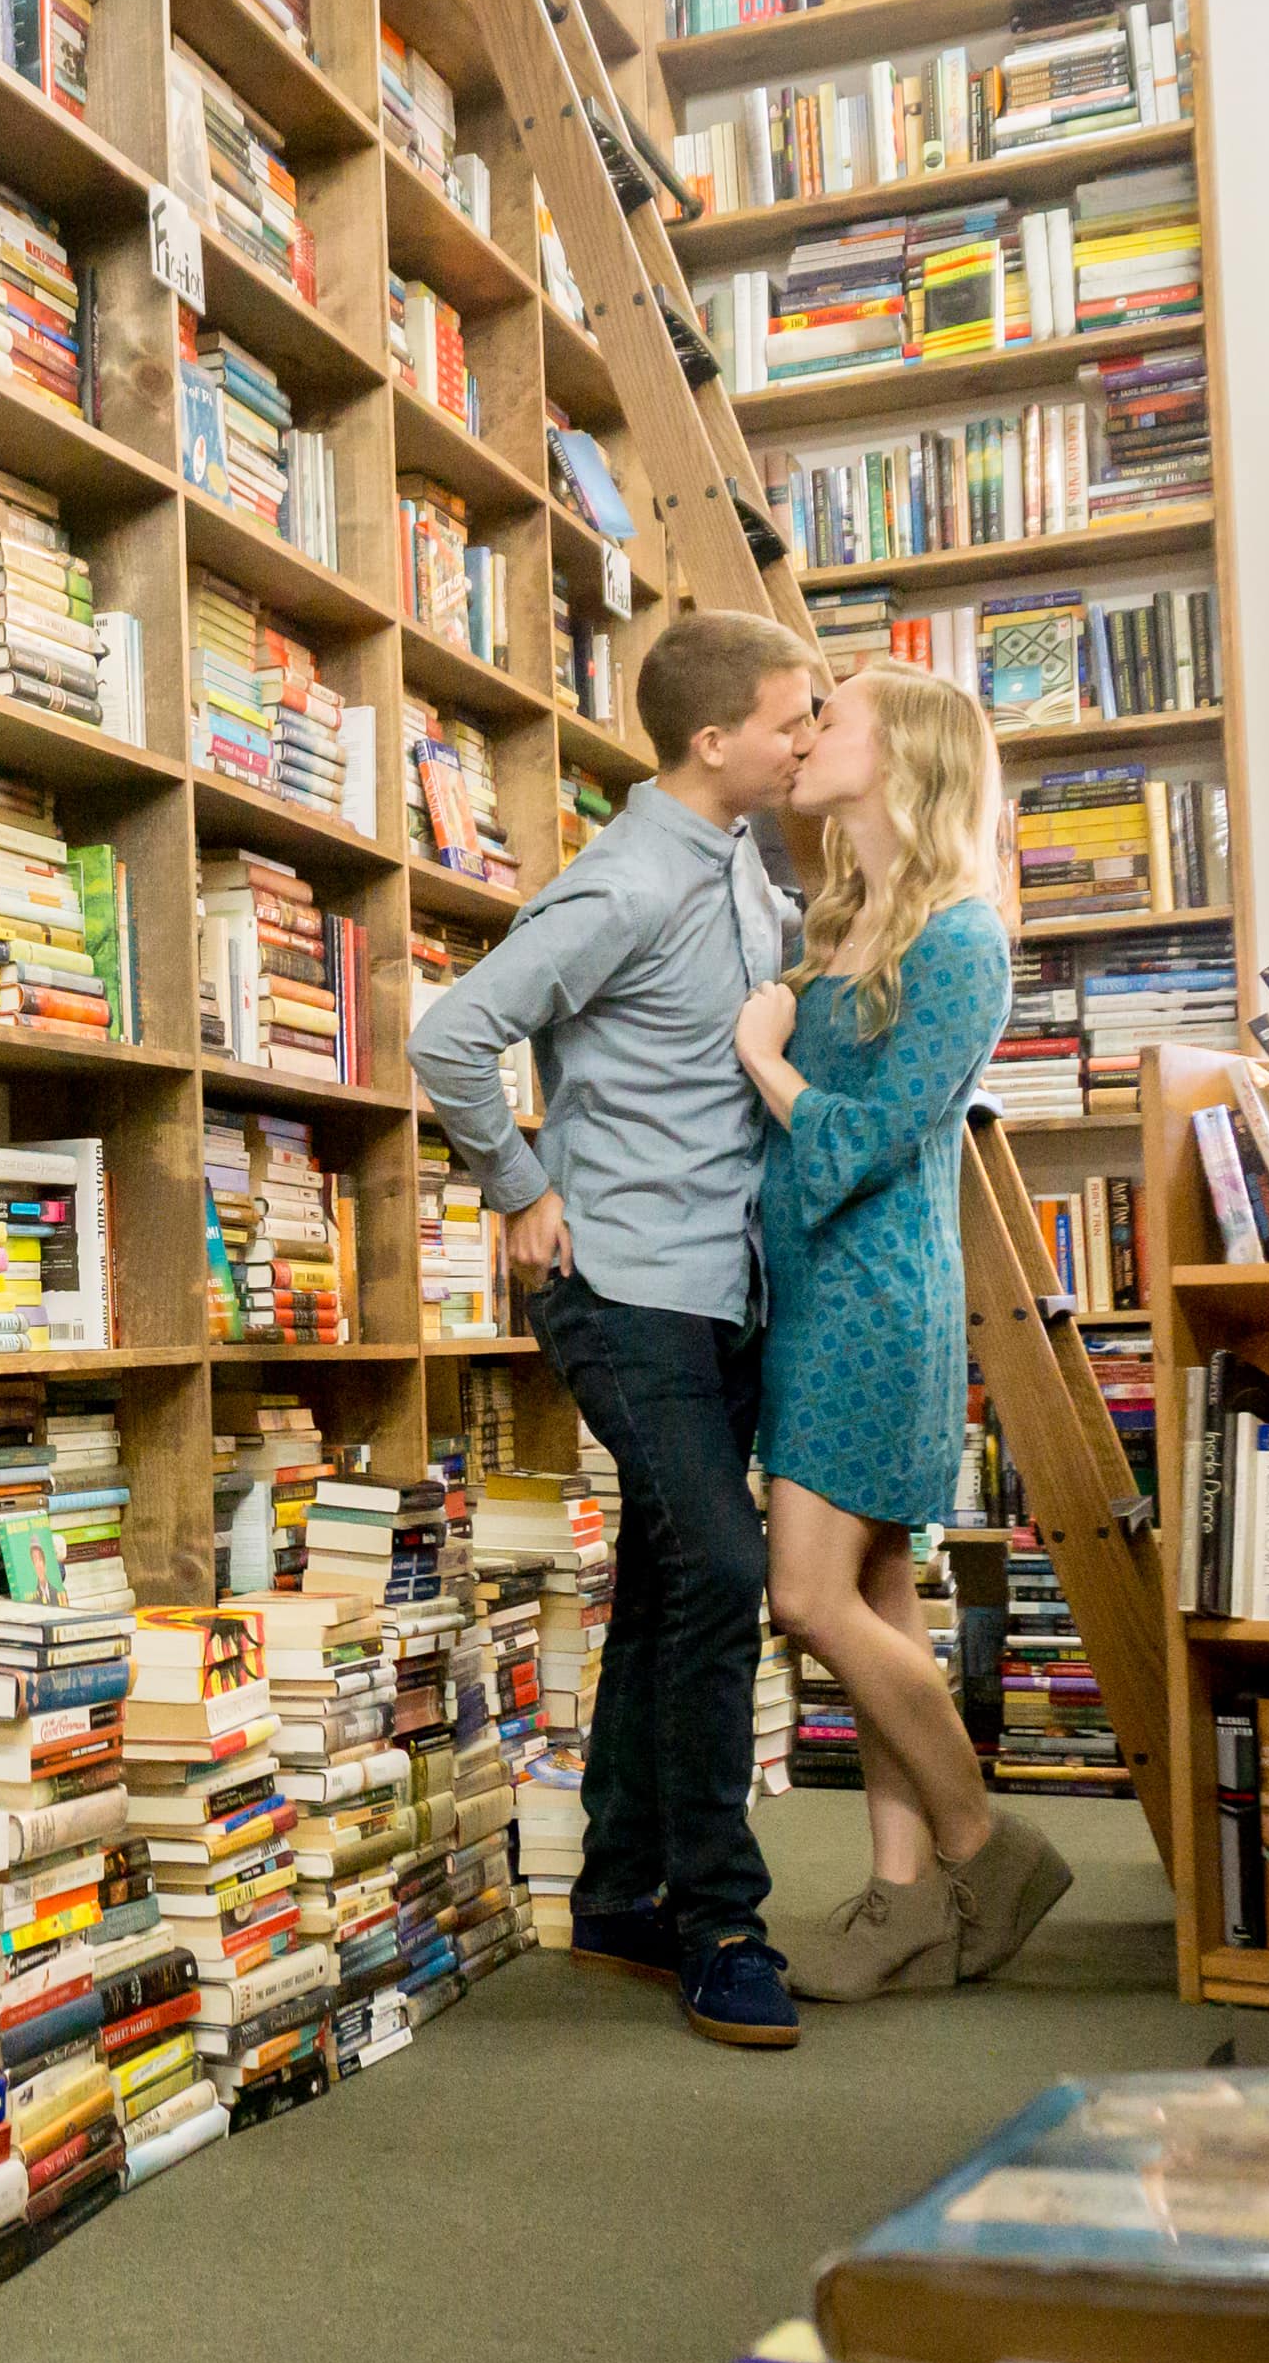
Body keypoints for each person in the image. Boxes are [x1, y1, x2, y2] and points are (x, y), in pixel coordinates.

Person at [406, 610, 821, 2048]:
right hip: (622, 1280)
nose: (807, 737)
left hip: (720, 1283)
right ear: (714, 741)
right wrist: (515, 1185)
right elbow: (451, 1033)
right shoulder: (626, 879)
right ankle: (719, 1916)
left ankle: (617, 1891)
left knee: (662, 1581)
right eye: (791, 719)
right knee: (722, 1565)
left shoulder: (742, 868)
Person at [733, 665, 1074, 1999]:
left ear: (905, 758)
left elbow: (870, 1140)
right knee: (871, 1592)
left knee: (806, 1595)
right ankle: (899, 1902)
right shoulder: (843, 917)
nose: (811, 737)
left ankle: (984, 1841)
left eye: (837, 720)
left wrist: (766, 1056)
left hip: (879, 1299)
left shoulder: (959, 942)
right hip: (812, 1291)